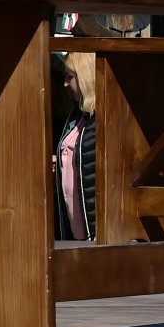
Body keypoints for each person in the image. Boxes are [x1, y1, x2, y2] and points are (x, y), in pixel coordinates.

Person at [53, 56, 96, 242]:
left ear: (84, 78)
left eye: (70, 77)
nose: (65, 83)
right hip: (74, 232)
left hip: (93, 235)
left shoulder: (100, 119)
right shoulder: (77, 115)